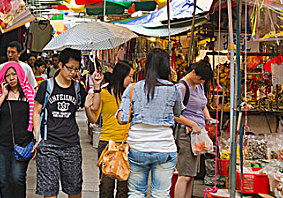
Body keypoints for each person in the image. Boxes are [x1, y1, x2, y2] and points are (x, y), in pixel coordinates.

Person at [116, 49, 199, 198]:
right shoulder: (174, 89)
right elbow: (177, 113)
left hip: (137, 147)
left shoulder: (133, 87)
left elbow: (122, 119)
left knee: (136, 192)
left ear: (147, 66)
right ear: (167, 67)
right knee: (160, 193)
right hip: (164, 148)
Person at [33, 48, 99, 198]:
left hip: (71, 145)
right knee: (49, 192)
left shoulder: (77, 88)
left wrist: (96, 88)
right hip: (48, 145)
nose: (73, 73)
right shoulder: (46, 86)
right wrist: (37, 138)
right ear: (60, 65)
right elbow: (36, 112)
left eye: (76, 69)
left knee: (75, 189)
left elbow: (93, 116)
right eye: (70, 68)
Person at [0, 62, 36, 198]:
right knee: (4, 181)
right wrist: (3, 95)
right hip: (2, 144)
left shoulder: (29, 96)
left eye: (14, 74)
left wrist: (36, 140)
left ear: (20, 75)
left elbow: (37, 118)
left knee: (17, 178)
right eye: (8, 76)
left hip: (23, 143)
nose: (11, 78)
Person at [88, 61, 134, 198]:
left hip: (126, 145)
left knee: (124, 189)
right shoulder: (103, 93)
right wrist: (95, 89)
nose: (132, 80)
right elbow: (94, 117)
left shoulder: (132, 95)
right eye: (130, 76)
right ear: (121, 76)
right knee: (106, 187)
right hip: (107, 145)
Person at [174, 61, 215, 198]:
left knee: (191, 174)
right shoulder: (181, 87)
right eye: (200, 78)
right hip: (186, 134)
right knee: (184, 174)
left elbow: (202, 105)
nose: (201, 82)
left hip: (197, 134)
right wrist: (192, 124)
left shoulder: (199, 85)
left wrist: (208, 118)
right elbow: (175, 115)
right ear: (193, 73)